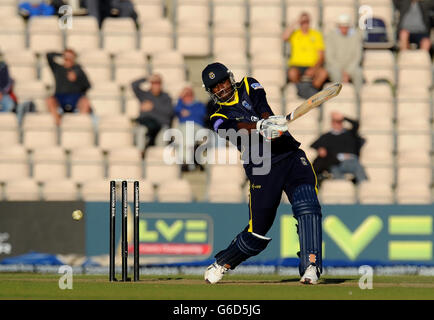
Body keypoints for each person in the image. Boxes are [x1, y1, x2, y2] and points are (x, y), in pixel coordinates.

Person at [202, 62, 323, 285]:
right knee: (257, 232)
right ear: (211, 92)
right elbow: (233, 128)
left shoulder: (249, 84)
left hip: (289, 154)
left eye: (222, 82)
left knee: (308, 206)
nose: (221, 88)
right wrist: (259, 128)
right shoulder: (215, 116)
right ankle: (222, 262)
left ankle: (311, 266)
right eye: (215, 86)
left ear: (230, 78)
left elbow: (261, 104)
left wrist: (269, 120)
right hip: (261, 166)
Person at [310, 111, 367, 186]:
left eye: (340, 122)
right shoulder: (327, 136)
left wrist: (343, 117)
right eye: (336, 122)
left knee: (360, 171)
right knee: (335, 174)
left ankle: (365, 189)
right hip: (336, 162)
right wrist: (320, 148)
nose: (338, 124)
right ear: (332, 123)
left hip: (352, 161)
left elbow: (356, 124)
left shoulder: (349, 133)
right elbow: (314, 145)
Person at [282, 12, 328, 99]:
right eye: (302, 22)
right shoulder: (295, 34)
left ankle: (310, 91)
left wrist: (314, 68)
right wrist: (296, 22)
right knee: (292, 73)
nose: (305, 24)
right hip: (297, 65)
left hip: (312, 65)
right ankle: (306, 92)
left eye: (306, 21)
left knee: (323, 73)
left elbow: (321, 55)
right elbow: (284, 36)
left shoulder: (316, 34)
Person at [46, 49, 92, 126]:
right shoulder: (58, 69)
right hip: (60, 97)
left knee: (85, 102)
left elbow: (87, 86)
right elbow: (48, 55)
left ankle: (80, 124)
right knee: (50, 100)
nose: (68, 59)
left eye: (70, 57)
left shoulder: (78, 70)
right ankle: (58, 123)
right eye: (66, 57)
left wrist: (78, 79)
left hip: (75, 97)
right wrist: (61, 54)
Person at [132, 74, 173, 153]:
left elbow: (168, 113)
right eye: (153, 83)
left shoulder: (166, 97)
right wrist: (147, 78)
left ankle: (158, 160)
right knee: (140, 130)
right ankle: (140, 155)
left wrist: (153, 107)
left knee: (162, 138)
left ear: (161, 85)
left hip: (161, 125)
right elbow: (134, 85)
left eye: (158, 83)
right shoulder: (144, 95)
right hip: (146, 125)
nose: (155, 86)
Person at [325, 14, 363, 91]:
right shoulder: (331, 36)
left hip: (351, 67)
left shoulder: (356, 36)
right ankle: (338, 99)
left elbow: (357, 56)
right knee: (336, 75)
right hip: (335, 67)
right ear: (338, 26)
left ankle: (358, 98)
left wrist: (348, 71)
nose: (344, 29)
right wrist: (342, 71)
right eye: (342, 26)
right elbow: (329, 57)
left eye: (346, 26)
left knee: (358, 73)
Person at [174, 85, 207, 172]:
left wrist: (189, 112)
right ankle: (189, 163)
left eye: (189, 94)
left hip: (197, 128)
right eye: (185, 95)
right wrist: (180, 99)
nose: (188, 96)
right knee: (184, 134)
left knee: (187, 131)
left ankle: (185, 162)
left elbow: (201, 113)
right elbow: (175, 109)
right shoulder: (180, 105)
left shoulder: (199, 105)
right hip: (183, 128)